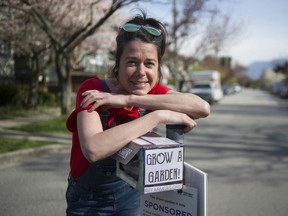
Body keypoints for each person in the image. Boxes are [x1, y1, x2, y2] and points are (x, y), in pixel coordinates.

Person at [65, 10, 210, 216]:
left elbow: (202, 108)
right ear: (118, 64)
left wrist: (128, 99)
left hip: (131, 195)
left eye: (149, 63)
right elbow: (93, 149)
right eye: (132, 62)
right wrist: (159, 116)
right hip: (88, 201)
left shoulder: (150, 92)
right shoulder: (94, 90)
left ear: (158, 67)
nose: (141, 72)